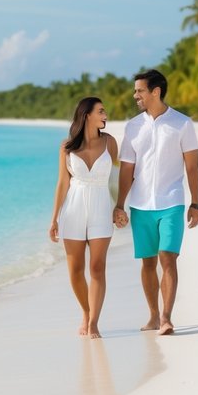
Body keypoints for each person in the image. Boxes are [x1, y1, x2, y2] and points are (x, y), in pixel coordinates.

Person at [113, 70, 198, 335]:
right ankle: (152, 316)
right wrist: (119, 204)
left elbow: (193, 167)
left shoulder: (182, 124)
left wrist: (195, 203)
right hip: (140, 205)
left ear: (155, 92)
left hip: (171, 201)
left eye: (139, 90)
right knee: (148, 262)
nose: (135, 95)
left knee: (167, 258)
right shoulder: (132, 126)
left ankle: (166, 317)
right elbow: (126, 169)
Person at [49, 97, 118, 339]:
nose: (105, 115)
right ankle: (86, 313)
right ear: (87, 115)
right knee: (76, 270)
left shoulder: (110, 143)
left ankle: (94, 323)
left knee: (97, 267)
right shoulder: (67, 146)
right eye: (101, 111)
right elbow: (62, 183)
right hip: (73, 210)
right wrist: (54, 218)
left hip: (100, 207)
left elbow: (116, 180)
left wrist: (119, 208)